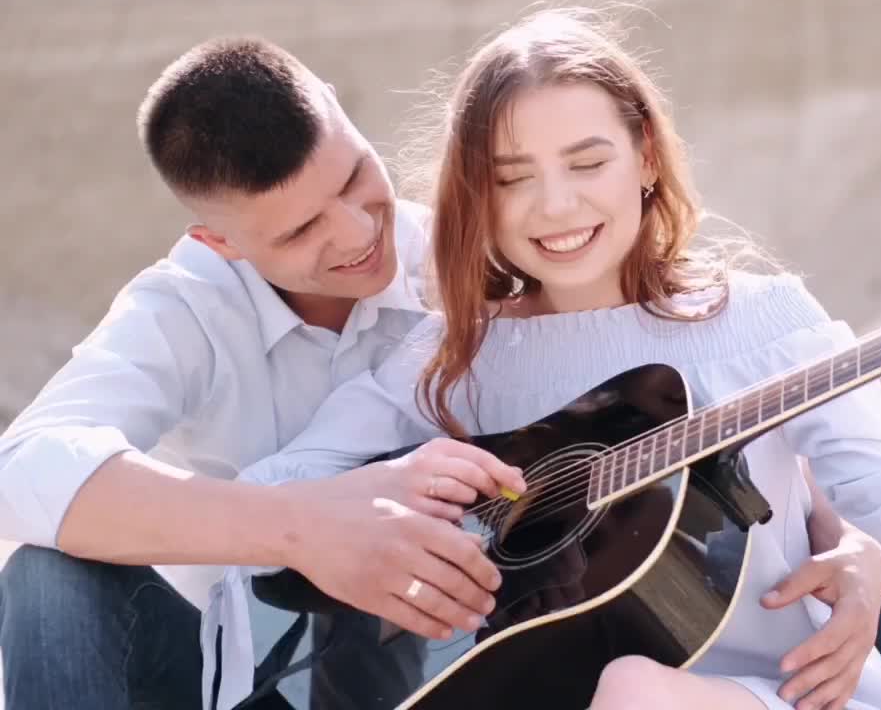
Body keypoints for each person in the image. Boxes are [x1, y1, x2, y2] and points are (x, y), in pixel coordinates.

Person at [206, 7, 881, 710]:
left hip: (763, 696)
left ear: (647, 159)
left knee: (632, 691)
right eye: (512, 177)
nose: (555, 205)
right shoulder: (456, 358)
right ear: (478, 192)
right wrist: (388, 498)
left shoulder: (763, 321)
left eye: (588, 162)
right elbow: (269, 494)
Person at [0, 37, 526, 710]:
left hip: (437, 672)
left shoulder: (468, 268)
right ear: (219, 242)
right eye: (300, 231)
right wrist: (300, 526)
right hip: (221, 681)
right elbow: (22, 467)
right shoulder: (184, 306)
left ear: (338, 106)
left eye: (352, 178)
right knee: (47, 577)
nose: (357, 232)